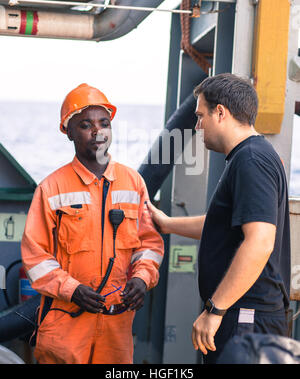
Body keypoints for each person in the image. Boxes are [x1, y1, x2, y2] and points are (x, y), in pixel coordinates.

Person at [147, 73, 290, 364]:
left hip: (247, 319)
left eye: (201, 116)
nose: (198, 126)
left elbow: (260, 242)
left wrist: (215, 310)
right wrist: (167, 224)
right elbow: (223, 226)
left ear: (220, 113)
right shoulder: (250, 156)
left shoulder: (251, 160)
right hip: (243, 317)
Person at [21, 83, 164, 364]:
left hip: (116, 328)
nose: (97, 131)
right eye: (85, 125)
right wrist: (71, 289)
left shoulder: (133, 183)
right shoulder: (51, 188)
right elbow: (35, 257)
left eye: (104, 123)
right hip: (65, 326)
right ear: (69, 132)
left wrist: (141, 278)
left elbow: (149, 244)